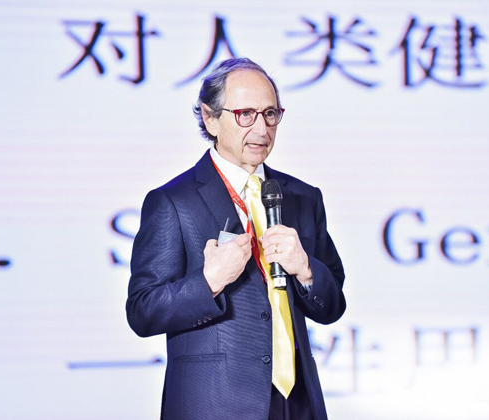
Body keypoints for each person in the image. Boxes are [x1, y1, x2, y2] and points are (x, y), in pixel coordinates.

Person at [126, 57, 345, 420]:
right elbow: (143, 311)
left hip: (297, 404)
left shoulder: (302, 197)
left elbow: (333, 305)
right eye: (245, 114)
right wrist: (209, 281)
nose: (261, 129)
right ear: (210, 118)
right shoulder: (173, 202)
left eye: (270, 114)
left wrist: (306, 271)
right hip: (215, 405)